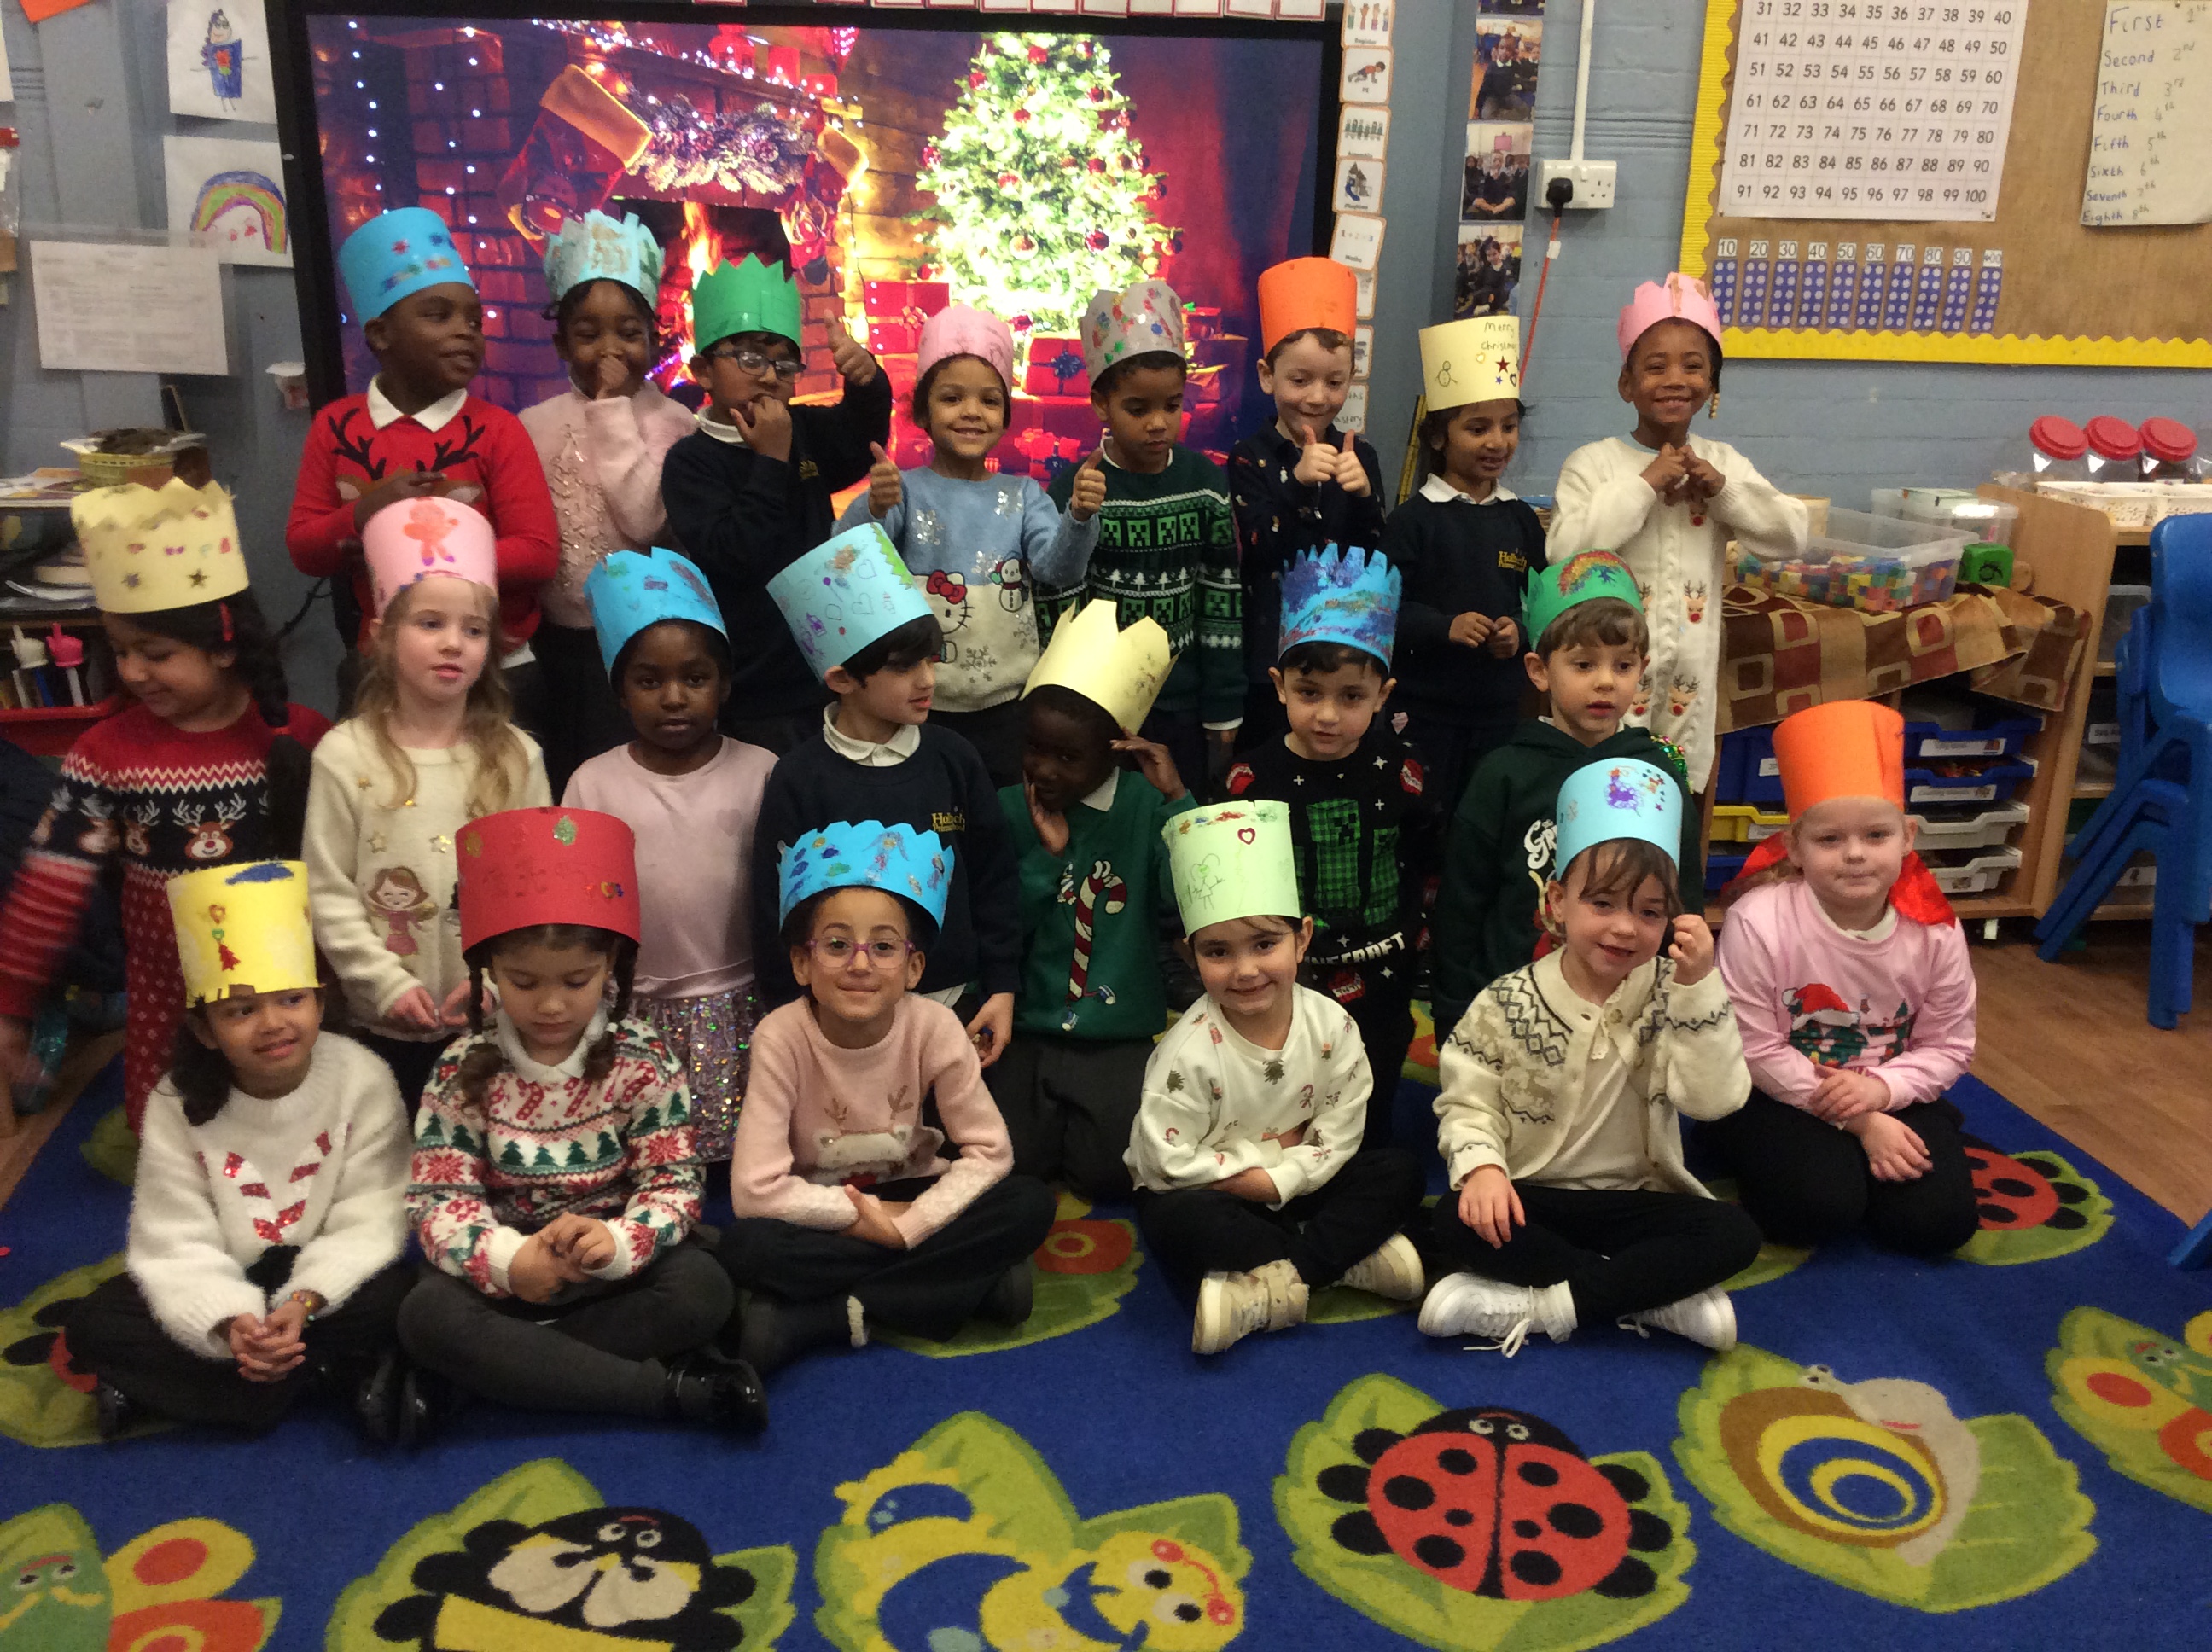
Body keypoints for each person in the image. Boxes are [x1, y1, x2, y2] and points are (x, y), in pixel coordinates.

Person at [397, 807, 765, 1433]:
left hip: (610, 1265)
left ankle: (493, 1375)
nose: (550, 1004)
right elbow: (439, 1200)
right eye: (523, 982)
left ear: (609, 967)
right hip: (510, 1270)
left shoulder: (642, 1058)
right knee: (425, 1314)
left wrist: (619, 1244)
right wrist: (511, 1260)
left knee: (702, 1289)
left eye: (576, 981)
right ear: (490, 971)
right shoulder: (461, 1069)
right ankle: (664, 1392)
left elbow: (674, 1184)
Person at [0, 481, 328, 1133]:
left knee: (292, 1134)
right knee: (177, 1141)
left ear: (224, 646)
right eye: (120, 651)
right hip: (165, 999)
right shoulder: (104, 753)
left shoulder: (301, 738)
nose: (132, 672)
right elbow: (51, 886)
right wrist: (12, 1005)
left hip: (283, 999)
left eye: (156, 654)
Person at [1420, 759, 1761, 1356]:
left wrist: (1700, 987)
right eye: (1603, 904)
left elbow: (1715, 1102)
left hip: (1636, 1199)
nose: (1625, 928)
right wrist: (1483, 1170)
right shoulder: (1506, 1001)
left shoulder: (1676, 993)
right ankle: (1648, 1293)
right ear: (1558, 901)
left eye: (1649, 912)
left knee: (1734, 1232)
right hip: (1534, 1197)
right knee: (1454, 1218)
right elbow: (1467, 1102)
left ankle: (1547, 1306)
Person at [66, 862, 416, 1440]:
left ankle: (215, 1391)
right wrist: (232, 1322)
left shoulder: (363, 1076)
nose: (273, 1024)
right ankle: (318, 1376)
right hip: (228, 1273)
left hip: (318, 1286)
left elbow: (373, 1215)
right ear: (205, 1029)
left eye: (292, 1000)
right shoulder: (175, 1101)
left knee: (404, 1300)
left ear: (320, 1003)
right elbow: (173, 1237)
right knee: (93, 1324)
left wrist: (303, 1300)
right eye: (241, 1010)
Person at [720, 819, 1057, 1376]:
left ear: (913, 967)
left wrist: (912, 1223)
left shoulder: (936, 1027)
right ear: (802, 963)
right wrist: (872, 1219)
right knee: (745, 1247)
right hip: (825, 1205)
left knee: (1029, 1203)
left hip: (916, 1189)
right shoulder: (779, 1037)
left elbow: (991, 1152)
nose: (860, 964)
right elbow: (756, 1191)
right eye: (836, 945)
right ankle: (970, 1288)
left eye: (883, 947)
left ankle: (834, 1313)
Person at [1126, 802, 1424, 1355]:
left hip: (1301, 1177)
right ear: (1190, 956)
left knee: (1400, 1172)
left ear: (1302, 938)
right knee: (1175, 1221)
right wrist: (1269, 1166)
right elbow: (1167, 1164)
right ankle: (1340, 1261)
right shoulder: (1185, 1055)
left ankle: (1276, 1280)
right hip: (1215, 1193)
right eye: (1218, 952)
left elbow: (1341, 1131)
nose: (1245, 970)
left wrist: (1285, 1173)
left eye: (1265, 944)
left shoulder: (1333, 1025)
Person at [1707, 700, 1980, 1256]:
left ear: (1908, 836)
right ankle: (1734, 1140)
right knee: (1813, 1212)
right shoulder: (1758, 923)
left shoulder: (1935, 931)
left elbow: (1949, 1045)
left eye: (1876, 835)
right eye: (1829, 840)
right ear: (1794, 847)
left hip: (1892, 1084)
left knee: (1939, 1225)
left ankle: (1878, 1157)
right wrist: (1862, 1123)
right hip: (1782, 1091)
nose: (1855, 855)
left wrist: (1882, 1091)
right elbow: (1754, 1049)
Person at [303, 497, 549, 1108]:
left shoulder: (517, 758)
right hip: (382, 1025)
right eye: (430, 624)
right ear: (382, 638)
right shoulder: (344, 756)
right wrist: (383, 984)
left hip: (492, 1021)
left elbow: (538, 889)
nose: (453, 644)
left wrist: (500, 984)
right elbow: (327, 891)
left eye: (473, 630)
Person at [751, 524, 1021, 1068]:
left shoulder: (955, 759)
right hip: (838, 1022)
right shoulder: (799, 779)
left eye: (931, 658)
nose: (928, 679)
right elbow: (773, 909)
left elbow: (995, 878)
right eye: (904, 666)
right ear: (842, 679)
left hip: (954, 1004)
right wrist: (792, 1015)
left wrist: (1002, 986)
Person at [286, 206, 559, 727]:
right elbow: (304, 548)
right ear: (381, 334)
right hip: (384, 664)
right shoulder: (336, 427)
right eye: (439, 316)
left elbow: (538, 552)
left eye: (474, 321)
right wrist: (367, 511)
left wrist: (410, 559)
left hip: (495, 664)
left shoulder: (497, 430)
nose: (466, 333)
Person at [1548, 273, 1807, 793]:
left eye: (1693, 366)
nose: (1675, 379)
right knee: (1604, 800)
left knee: (1673, 805)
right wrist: (1644, 485)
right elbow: (1563, 552)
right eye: (1655, 366)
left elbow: (1790, 537)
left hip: (1688, 694)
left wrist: (1723, 492)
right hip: (1605, 687)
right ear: (1627, 385)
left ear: (1713, 385)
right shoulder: (1594, 463)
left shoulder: (1722, 463)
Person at [1429, 552, 1703, 1036]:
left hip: (1627, 1009)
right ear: (1539, 670)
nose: (1605, 681)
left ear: (1641, 670)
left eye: (1623, 665)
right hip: (1514, 1008)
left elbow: (1683, 895)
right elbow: (1463, 902)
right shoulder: (1504, 774)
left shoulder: (1657, 774)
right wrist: (1455, 1007)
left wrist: (1681, 993)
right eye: (1583, 664)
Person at [565, 548, 775, 1164]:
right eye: (650, 681)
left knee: (748, 1157)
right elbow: (579, 912)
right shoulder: (593, 784)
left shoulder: (763, 771)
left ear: (724, 684)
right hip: (638, 1008)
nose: (675, 697)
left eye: (695, 678)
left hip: (746, 1001)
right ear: (620, 691)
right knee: (651, 1153)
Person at [838, 304, 1103, 788]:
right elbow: (846, 560)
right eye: (952, 397)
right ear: (922, 411)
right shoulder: (903, 491)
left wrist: (1080, 518)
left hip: (1008, 707)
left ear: (1006, 415)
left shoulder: (1024, 496)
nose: (971, 412)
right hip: (918, 706)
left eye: (989, 400)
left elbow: (1057, 571)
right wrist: (874, 507)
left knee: (997, 812)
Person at [1223, 547, 1435, 1142]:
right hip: (1287, 977)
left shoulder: (1403, 772)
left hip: (1383, 970)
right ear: (1279, 686)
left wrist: (1420, 931)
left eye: (1351, 697)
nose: (1328, 715)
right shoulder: (1250, 780)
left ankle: (1368, 1161)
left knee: (1374, 1077)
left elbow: (1425, 856)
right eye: (1310, 692)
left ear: (1382, 694)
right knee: (1286, 1084)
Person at [989, 602, 1191, 1197]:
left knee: (1110, 1175)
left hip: (1116, 1031)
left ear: (1117, 752)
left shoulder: (1146, 807)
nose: (1045, 771)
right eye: (1035, 749)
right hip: (1026, 1026)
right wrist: (1045, 861)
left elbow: (1189, 902)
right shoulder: (1008, 810)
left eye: (1069, 757)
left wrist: (1177, 802)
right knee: (1009, 1165)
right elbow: (999, 929)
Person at [660, 254, 891, 754]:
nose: (768, 375)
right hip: (752, 683)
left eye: (785, 364)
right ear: (703, 370)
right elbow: (737, 552)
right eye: (749, 358)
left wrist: (867, 382)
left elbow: (858, 442)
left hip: (826, 664)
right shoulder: (690, 462)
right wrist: (770, 459)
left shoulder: (801, 429)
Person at [519, 212, 697, 794]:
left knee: (629, 772)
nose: (610, 348)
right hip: (555, 640)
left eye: (627, 331)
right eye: (588, 333)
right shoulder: (533, 424)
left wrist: (612, 408)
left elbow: (644, 519)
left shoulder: (675, 423)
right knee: (567, 771)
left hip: (642, 639)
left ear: (653, 336)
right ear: (561, 343)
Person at [1041, 280, 1240, 792]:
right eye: (1138, 408)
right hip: (1100, 704)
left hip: (1182, 704)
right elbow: (1058, 600)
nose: (1158, 423)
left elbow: (1219, 596)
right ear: (1101, 405)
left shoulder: (1204, 483)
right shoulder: (1077, 488)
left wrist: (1222, 705)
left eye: (1172, 405)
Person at [1382, 315, 1545, 819]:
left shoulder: (1521, 519)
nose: (1497, 441)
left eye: (1508, 426)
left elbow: (1541, 605)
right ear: (1438, 437)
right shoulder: (1412, 521)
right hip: (1424, 712)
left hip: (1499, 712)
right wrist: (1444, 627)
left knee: (1484, 820)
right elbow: (1383, 611)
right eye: (1478, 428)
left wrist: (1518, 630)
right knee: (1422, 821)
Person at [1228, 259, 1386, 750]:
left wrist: (1364, 496)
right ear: (1267, 376)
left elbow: (1378, 554)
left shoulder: (1360, 455)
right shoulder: (1249, 457)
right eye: (1300, 380)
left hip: (1346, 654)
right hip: (1271, 657)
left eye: (1334, 383)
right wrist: (1295, 486)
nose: (1318, 397)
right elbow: (1257, 549)